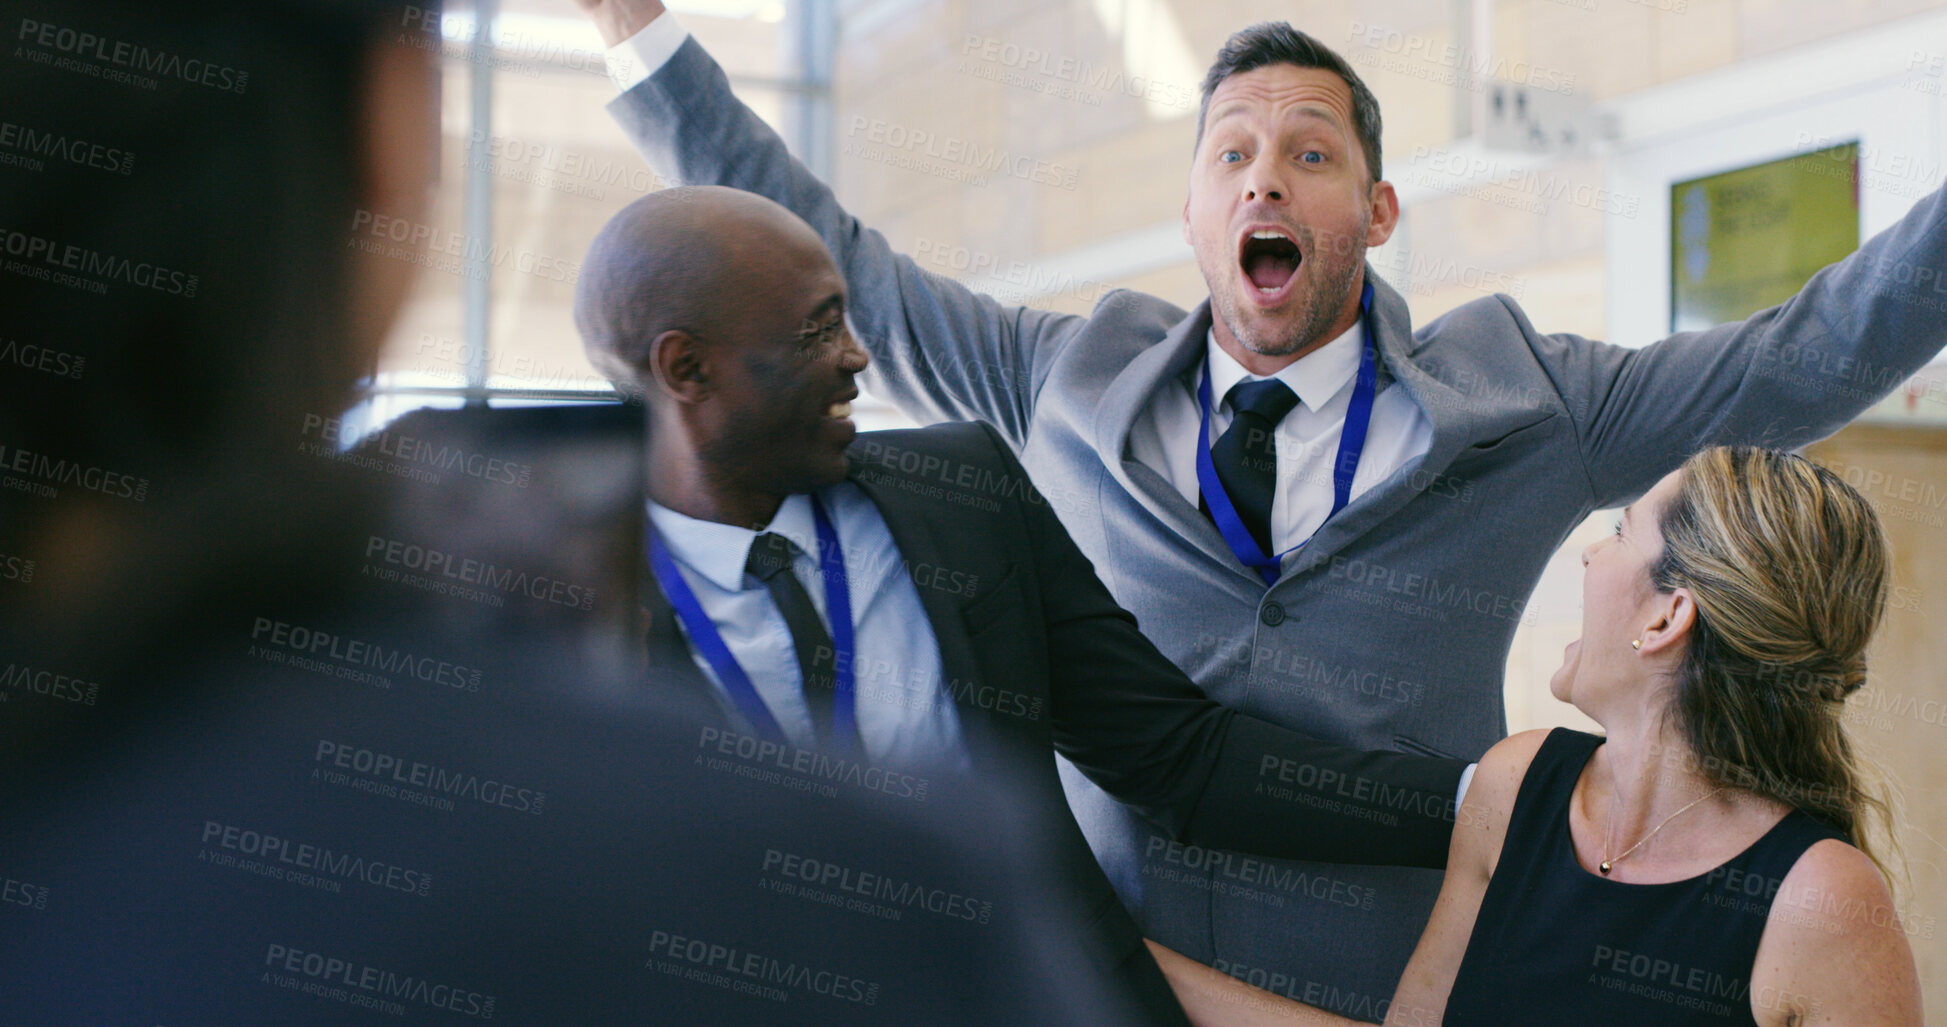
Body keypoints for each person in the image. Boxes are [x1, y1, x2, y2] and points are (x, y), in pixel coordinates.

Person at [571, 1, 1947, 1012]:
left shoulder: (1526, 399)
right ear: (1187, 211)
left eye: (1306, 151)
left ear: (1379, 204)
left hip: (1394, 978)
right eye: (1228, 152)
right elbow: (834, 265)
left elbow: (1805, 350)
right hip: (1108, 978)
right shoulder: (1059, 378)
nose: (1262, 177)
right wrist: (641, 35)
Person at [550, 181, 1468, 1021]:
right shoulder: (553, 609)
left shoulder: (963, 495)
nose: (855, 356)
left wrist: (1488, 803)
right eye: (815, 331)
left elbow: (1180, 758)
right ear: (685, 370)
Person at [1145, 445, 1923, 1026]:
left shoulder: (1820, 898)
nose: (1590, 552)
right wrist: (1121, 955)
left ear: (1665, 618)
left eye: (1620, 531)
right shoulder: (1515, 786)